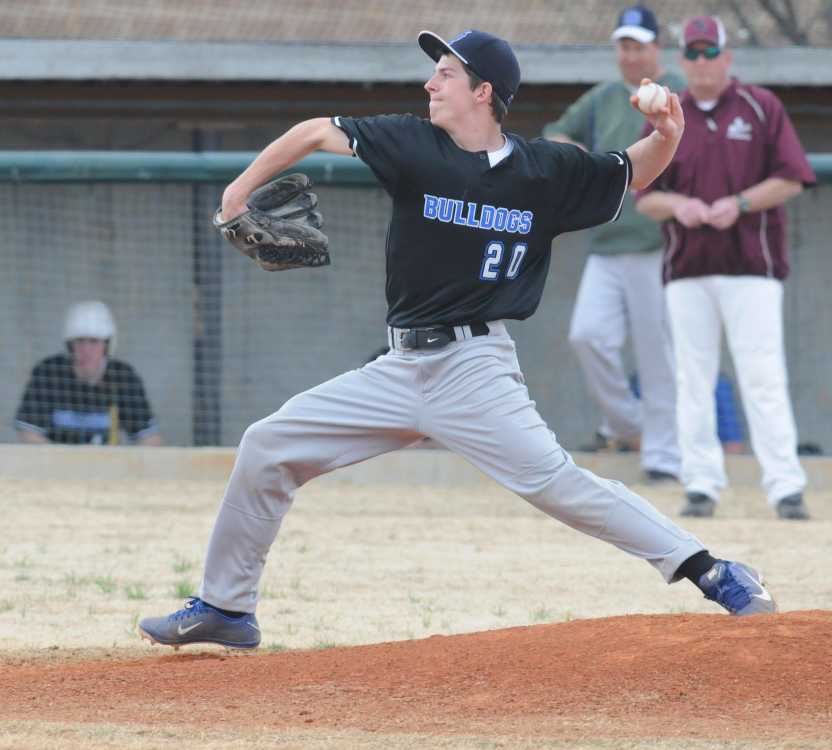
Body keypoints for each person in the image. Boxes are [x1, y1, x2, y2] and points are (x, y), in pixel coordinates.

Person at [139, 29, 775, 651]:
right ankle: (226, 607)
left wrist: (668, 132)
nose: (429, 82)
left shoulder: (543, 170)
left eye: (445, 73)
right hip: (397, 368)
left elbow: (632, 172)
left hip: (476, 368)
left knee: (560, 485)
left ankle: (711, 570)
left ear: (483, 91)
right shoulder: (414, 143)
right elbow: (311, 131)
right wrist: (236, 191)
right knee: (266, 447)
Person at [635, 16, 815, 521]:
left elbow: (793, 178)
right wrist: (680, 206)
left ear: (727, 57)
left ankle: (785, 488)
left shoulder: (761, 107)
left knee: (763, 376)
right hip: (687, 267)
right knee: (692, 379)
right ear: (682, 61)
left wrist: (738, 202)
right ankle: (701, 485)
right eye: (691, 54)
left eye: (709, 52)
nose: (700, 62)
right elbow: (643, 196)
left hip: (751, 268)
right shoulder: (668, 113)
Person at [543, 5, 684, 484]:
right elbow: (554, 133)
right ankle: (630, 427)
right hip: (606, 241)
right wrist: (578, 153)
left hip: (658, 244)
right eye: (623, 46)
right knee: (588, 336)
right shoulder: (604, 97)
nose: (630, 55)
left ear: (656, 49)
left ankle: (664, 457)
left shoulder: (677, 91)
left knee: (656, 352)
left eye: (638, 45)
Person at [15, 300, 162, 446]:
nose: (86, 350)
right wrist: (61, 464)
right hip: (56, 465)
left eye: (93, 341)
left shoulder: (123, 377)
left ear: (107, 345)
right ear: (69, 345)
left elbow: (150, 439)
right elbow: (29, 434)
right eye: (79, 341)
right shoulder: (49, 373)